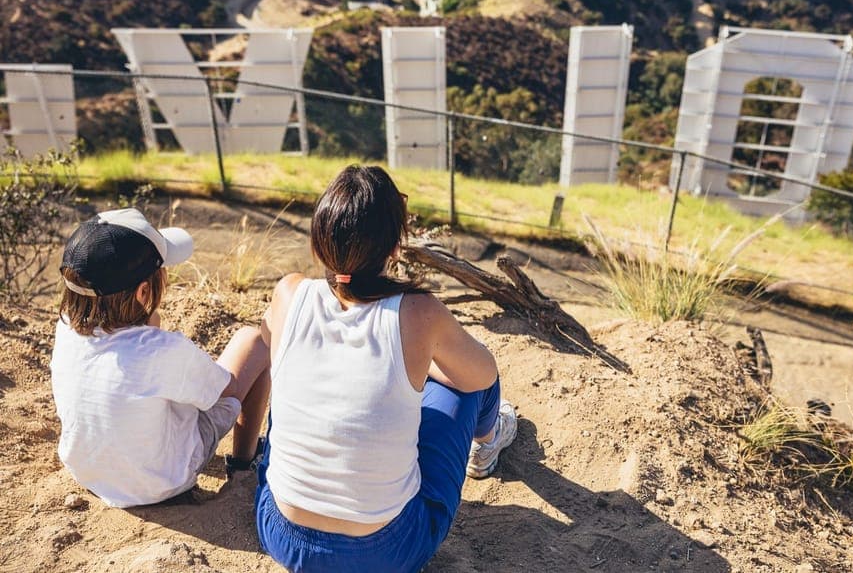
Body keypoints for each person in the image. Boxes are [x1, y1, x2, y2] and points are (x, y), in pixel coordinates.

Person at [256, 165, 517, 572]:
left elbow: (279, 351)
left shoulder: (289, 293)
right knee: (465, 385)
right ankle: (490, 437)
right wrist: (422, 368)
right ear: (394, 248)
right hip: (384, 552)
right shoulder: (417, 313)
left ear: (319, 241)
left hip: (282, 533)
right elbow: (482, 374)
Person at [51, 208, 271, 508]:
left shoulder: (65, 327)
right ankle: (244, 461)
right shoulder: (160, 349)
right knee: (254, 341)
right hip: (160, 483)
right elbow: (227, 391)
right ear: (143, 292)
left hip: (88, 471)